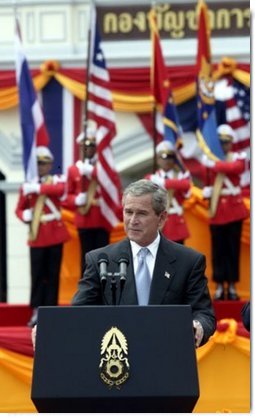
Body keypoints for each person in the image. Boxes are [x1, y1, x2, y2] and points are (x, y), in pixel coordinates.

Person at [71, 179, 216, 348]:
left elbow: (204, 313)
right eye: (128, 212)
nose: (133, 220)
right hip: (116, 361)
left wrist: (197, 326)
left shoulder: (189, 261)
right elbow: (78, 314)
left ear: (161, 219)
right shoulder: (100, 260)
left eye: (141, 213)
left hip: (168, 354)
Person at [15, 146, 70, 327]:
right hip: (37, 234)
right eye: (38, 164)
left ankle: (51, 309)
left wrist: (37, 188)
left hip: (54, 233)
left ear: (50, 165)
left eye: (44, 163)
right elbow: (19, 209)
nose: (41, 167)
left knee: (53, 274)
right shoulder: (27, 185)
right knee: (37, 275)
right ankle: (36, 309)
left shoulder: (56, 179)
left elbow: (60, 190)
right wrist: (25, 216)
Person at [201, 124, 249, 301]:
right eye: (221, 142)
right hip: (217, 209)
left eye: (226, 142)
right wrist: (208, 190)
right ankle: (220, 285)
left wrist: (213, 164)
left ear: (232, 142)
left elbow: (233, 168)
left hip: (234, 210)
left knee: (232, 250)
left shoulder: (238, 157)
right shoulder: (212, 159)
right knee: (218, 250)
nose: (224, 146)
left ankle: (233, 285)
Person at [63, 121, 110, 276]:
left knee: (103, 259)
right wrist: (76, 200)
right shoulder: (73, 170)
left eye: (91, 145)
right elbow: (66, 197)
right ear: (81, 148)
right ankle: (86, 293)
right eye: (85, 146)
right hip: (84, 217)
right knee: (86, 258)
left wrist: (93, 172)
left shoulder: (104, 167)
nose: (88, 149)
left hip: (102, 218)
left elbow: (111, 185)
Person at [145, 140, 191, 244]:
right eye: (164, 157)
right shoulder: (151, 178)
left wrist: (163, 182)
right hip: (159, 224)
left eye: (170, 157)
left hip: (176, 223)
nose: (167, 160)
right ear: (157, 159)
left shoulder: (180, 176)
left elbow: (186, 185)